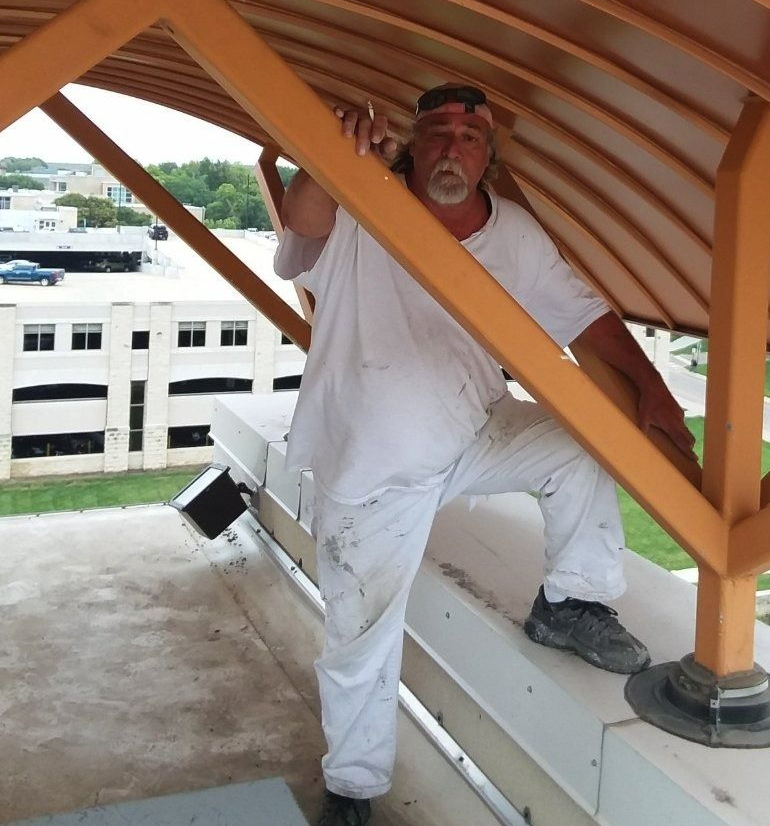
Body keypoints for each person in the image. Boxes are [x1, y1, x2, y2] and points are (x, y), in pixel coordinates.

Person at [273, 84, 695, 826]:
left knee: (588, 445)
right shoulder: (360, 204)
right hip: (372, 470)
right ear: (412, 144)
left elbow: (586, 316)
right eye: (437, 133)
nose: (452, 148)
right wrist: (325, 158)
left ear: (487, 158)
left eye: (469, 138)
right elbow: (301, 231)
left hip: (473, 434)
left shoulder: (517, 236)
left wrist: (652, 387)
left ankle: (568, 603)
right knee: (360, 636)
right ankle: (354, 784)